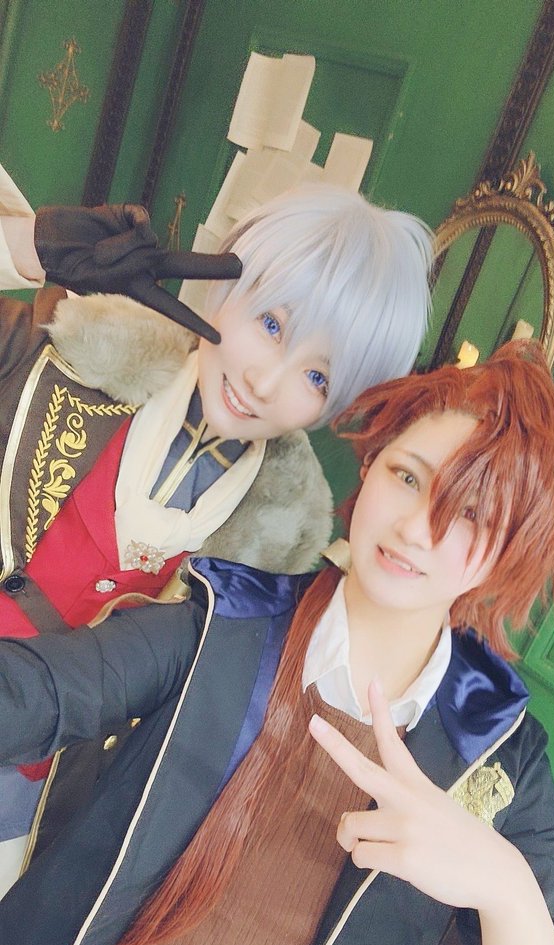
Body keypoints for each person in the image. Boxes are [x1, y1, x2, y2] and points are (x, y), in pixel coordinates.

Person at [0, 339, 554, 945]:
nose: (417, 528)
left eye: (470, 514)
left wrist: (501, 884)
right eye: (408, 477)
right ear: (370, 468)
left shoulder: (498, 759)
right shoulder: (230, 620)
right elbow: (41, 690)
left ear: (505, 554)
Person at [0, 166, 433, 892]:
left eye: (317, 378)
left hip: (36, 810)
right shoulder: (63, 349)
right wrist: (26, 248)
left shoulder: (280, 541)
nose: (266, 382)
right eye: (272, 325)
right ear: (228, 283)